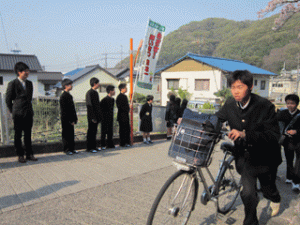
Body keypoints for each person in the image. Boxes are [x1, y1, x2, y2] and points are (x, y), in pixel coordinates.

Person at [216, 70, 282, 225]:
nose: (235, 91)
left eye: (240, 86)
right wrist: (191, 119)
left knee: (267, 188)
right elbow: (216, 118)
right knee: (248, 194)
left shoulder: (264, 106)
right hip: (245, 158)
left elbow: (274, 136)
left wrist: (245, 134)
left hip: (265, 157)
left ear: (250, 86)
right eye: (232, 87)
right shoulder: (230, 104)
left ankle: (275, 197)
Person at [5, 62, 38, 163]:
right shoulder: (13, 84)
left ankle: (29, 154)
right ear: (19, 72)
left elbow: (29, 98)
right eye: (25, 71)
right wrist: (13, 110)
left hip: (28, 112)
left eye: (28, 71)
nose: (27, 73)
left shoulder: (29, 83)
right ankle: (20, 155)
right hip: (18, 113)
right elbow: (8, 99)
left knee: (28, 134)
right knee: (18, 135)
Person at [277, 94, 300, 191]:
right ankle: (289, 177)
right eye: (288, 103)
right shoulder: (282, 113)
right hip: (287, 141)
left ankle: (296, 182)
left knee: (298, 162)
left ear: (297, 104)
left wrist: (296, 131)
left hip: (299, 141)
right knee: (289, 159)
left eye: (292, 103)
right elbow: (276, 124)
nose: (290, 105)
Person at [59, 78, 78, 155]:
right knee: (66, 134)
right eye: (70, 85)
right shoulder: (63, 96)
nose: (72, 86)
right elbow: (65, 110)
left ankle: (72, 148)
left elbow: (72, 109)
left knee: (71, 134)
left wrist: (75, 118)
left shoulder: (69, 95)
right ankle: (66, 149)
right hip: (66, 119)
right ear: (66, 86)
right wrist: (70, 120)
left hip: (70, 118)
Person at [86, 77, 102, 153]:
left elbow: (98, 105)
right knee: (91, 132)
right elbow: (90, 106)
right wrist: (93, 117)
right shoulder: (89, 93)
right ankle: (90, 147)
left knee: (95, 131)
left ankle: (94, 146)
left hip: (96, 115)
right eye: (98, 83)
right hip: (92, 116)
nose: (99, 84)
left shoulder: (96, 93)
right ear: (95, 84)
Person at [100, 85, 116, 149]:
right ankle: (103, 145)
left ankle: (110, 144)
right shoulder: (104, 100)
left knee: (110, 131)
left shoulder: (112, 99)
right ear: (110, 91)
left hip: (110, 117)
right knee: (103, 132)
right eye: (113, 90)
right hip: (104, 118)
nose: (114, 92)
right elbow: (101, 110)